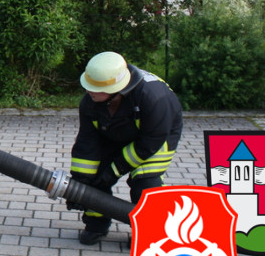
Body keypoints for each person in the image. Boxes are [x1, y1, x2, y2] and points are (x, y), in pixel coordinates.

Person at [69, 51, 183, 245]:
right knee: (95, 176)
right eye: (88, 86)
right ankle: (96, 225)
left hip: (155, 138)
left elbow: (147, 145)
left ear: (116, 89)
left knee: (145, 181)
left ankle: (150, 232)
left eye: (95, 88)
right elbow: (87, 143)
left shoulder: (153, 98)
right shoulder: (90, 102)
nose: (89, 91)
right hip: (114, 133)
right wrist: (80, 183)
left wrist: (114, 171)